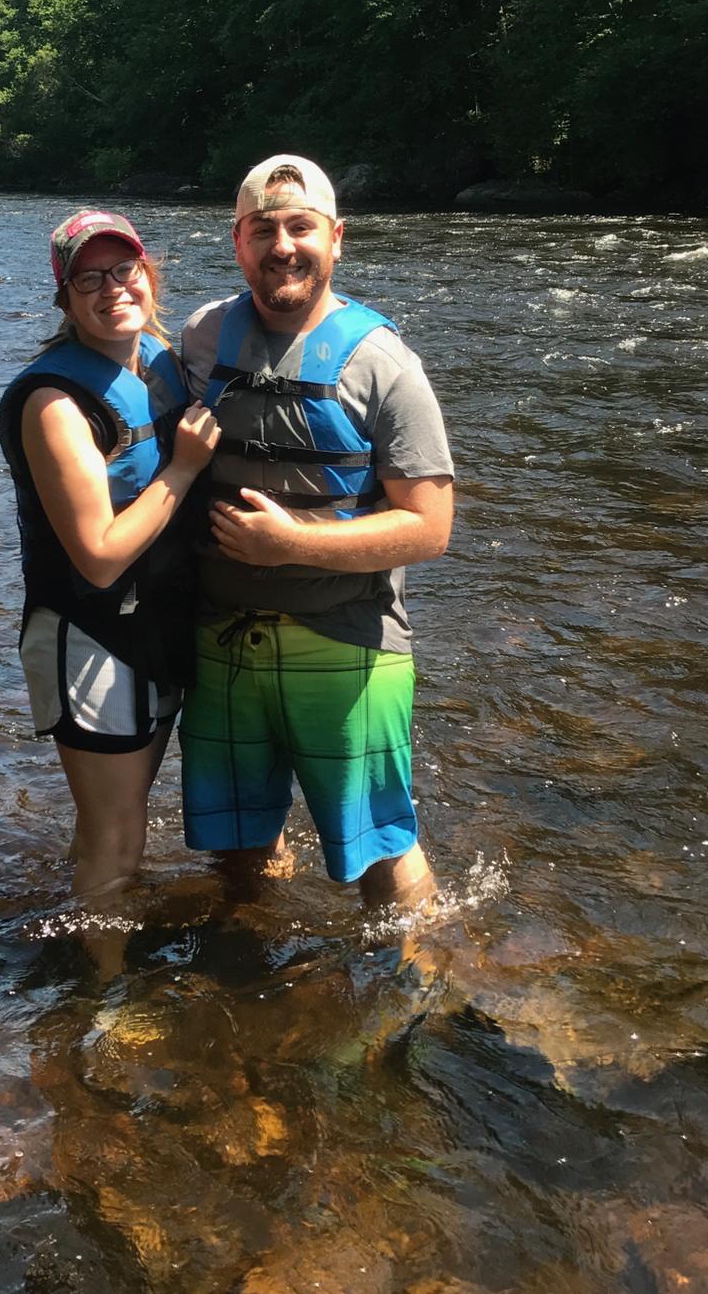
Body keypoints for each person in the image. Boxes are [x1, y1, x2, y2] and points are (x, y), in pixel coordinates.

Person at [177, 154, 455, 908]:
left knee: (381, 853)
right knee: (238, 852)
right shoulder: (202, 339)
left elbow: (430, 529)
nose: (282, 245)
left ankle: (419, 1002)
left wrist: (292, 545)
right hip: (221, 644)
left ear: (337, 239)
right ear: (237, 243)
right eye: (262, 229)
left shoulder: (384, 363)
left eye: (300, 227)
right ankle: (257, 992)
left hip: (346, 640)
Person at [0, 209, 218, 900]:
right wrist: (181, 470)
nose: (112, 288)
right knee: (116, 833)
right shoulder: (56, 402)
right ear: (63, 297)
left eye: (124, 270)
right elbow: (96, 556)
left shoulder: (158, 358)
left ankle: (98, 957)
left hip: (160, 623)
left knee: (117, 823)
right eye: (88, 278)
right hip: (91, 634)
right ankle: (106, 995)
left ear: (148, 276)